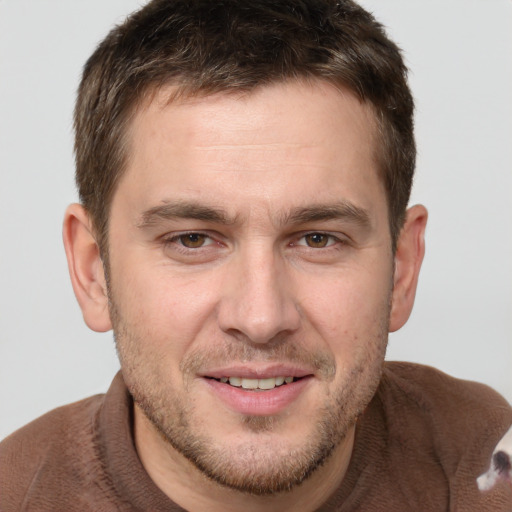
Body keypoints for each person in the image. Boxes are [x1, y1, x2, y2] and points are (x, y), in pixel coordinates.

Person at [0, 0, 510, 510]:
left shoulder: (490, 467)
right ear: (94, 271)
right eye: (192, 240)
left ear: (401, 269)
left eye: (318, 239)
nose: (261, 318)